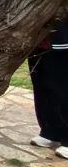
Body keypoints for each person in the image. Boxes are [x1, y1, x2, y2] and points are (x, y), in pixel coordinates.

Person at [29, 21, 68, 157]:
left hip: (63, 41)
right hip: (39, 41)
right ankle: (49, 131)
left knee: (62, 90)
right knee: (42, 88)